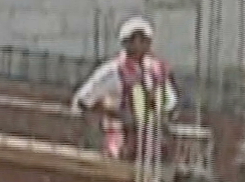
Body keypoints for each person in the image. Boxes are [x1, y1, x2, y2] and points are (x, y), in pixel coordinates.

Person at [72, 16, 179, 161]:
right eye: (133, 39)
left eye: (143, 39)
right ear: (125, 42)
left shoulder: (157, 70)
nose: (138, 44)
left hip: (155, 145)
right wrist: (113, 113)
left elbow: (170, 102)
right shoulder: (112, 71)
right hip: (122, 143)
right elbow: (83, 101)